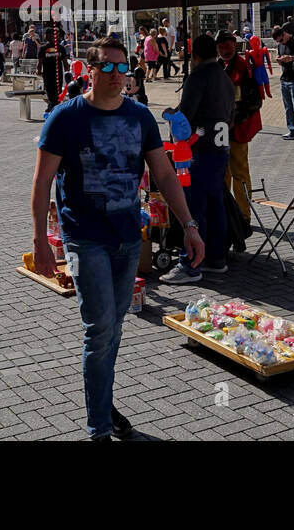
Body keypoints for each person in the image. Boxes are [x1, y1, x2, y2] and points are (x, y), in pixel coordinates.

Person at [30, 36, 203, 440]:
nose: (115, 75)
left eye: (121, 67)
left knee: (115, 327)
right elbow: (41, 184)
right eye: (106, 66)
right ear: (88, 70)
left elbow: (163, 174)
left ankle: (101, 399)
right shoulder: (65, 117)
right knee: (100, 327)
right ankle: (99, 429)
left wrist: (190, 225)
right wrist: (40, 241)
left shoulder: (140, 117)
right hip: (84, 238)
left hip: (128, 237)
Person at [160, 34, 234, 284]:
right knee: (215, 204)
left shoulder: (198, 77)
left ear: (194, 56)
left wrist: (172, 118)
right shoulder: (224, 78)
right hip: (221, 147)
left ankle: (189, 263)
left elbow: (186, 115)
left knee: (193, 206)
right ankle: (216, 257)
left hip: (199, 150)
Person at [217, 30, 262, 240]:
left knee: (240, 173)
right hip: (219, 130)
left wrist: (236, 119)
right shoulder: (218, 65)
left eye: (226, 45)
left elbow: (254, 101)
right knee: (222, 172)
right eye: (220, 46)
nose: (223, 49)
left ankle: (244, 217)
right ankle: (225, 212)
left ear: (234, 45)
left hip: (238, 129)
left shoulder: (244, 68)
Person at [38, 26, 68, 114]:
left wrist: (67, 73)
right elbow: (39, 62)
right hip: (47, 75)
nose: (51, 37)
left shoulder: (61, 48)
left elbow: (65, 62)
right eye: (49, 35)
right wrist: (38, 70)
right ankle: (53, 108)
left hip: (58, 75)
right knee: (50, 93)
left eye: (53, 35)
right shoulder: (43, 48)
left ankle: (52, 108)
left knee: (57, 93)